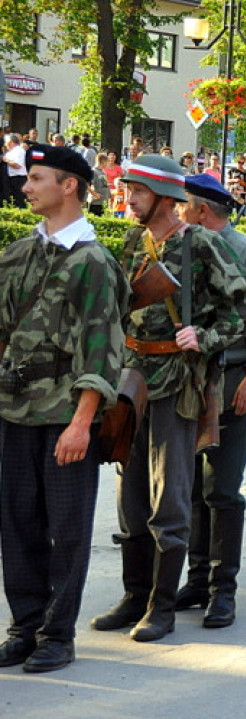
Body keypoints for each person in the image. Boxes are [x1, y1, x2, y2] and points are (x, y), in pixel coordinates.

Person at [90, 154, 246, 642]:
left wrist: (203, 338)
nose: (128, 199)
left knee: (170, 494)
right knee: (130, 493)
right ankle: (134, 595)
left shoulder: (200, 244)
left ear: (164, 198)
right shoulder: (131, 240)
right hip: (131, 381)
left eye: (137, 192)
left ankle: (162, 607)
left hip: (175, 384)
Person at [0, 145, 129, 673]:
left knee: (67, 528)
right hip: (14, 412)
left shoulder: (94, 262)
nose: (26, 188)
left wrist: (81, 423)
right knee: (17, 525)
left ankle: (58, 634)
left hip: (63, 416)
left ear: (69, 185)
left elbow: (102, 348)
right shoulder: (17, 253)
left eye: (36, 178)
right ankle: (24, 626)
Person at [172, 174, 246, 628]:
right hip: (192, 382)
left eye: (184, 205)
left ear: (202, 210)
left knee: (221, 487)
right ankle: (197, 580)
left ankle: (224, 590)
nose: (179, 212)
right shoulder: (187, 247)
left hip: (232, 378)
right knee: (194, 487)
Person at [2, 133, 27, 207]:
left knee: (19, 201)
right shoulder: (10, 152)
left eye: (6, 142)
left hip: (19, 179)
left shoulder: (19, 151)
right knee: (12, 201)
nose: (5, 145)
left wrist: (6, 160)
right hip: (10, 180)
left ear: (10, 142)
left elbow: (18, 165)